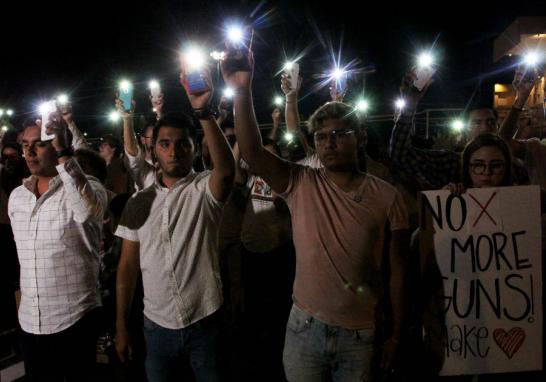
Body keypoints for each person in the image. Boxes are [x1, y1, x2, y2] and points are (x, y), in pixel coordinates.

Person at [223, 51, 410, 381]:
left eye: (340, 135)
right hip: (304, 328)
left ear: (361, 138)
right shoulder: (300, 182)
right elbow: (251, 153)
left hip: (361, 335)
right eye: (322, 136)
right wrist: (241, 89)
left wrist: (396, 333)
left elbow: (397, 269)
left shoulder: (387, 196)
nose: (329, 143)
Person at [114, 64, 235, 381]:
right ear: (153, 150)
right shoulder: (139, 202)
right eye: (165, 144)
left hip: (205, 321)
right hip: (156, 326)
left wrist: (203, 111)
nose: (174, 151)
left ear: (195, 149)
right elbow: (127, 268)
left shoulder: (203, 190)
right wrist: (121, 326)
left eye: (183, 143)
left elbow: (225, 171)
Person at [8, 111, 107, 382]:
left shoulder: (89, 187)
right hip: (30, 323)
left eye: (38, 143)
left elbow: (89, 212)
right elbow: (25, 262)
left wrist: (65, 152)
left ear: (57, 144)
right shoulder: (17, 197)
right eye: (24, 145)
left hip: (75, 318)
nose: (29, 151)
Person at [388, 70, 525, 189]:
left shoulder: (515, 168)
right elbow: (400, 155)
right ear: (465, 131)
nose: (485, 128)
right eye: (476, 123)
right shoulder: (450, 163)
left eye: (490, 122)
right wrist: (410, 103)